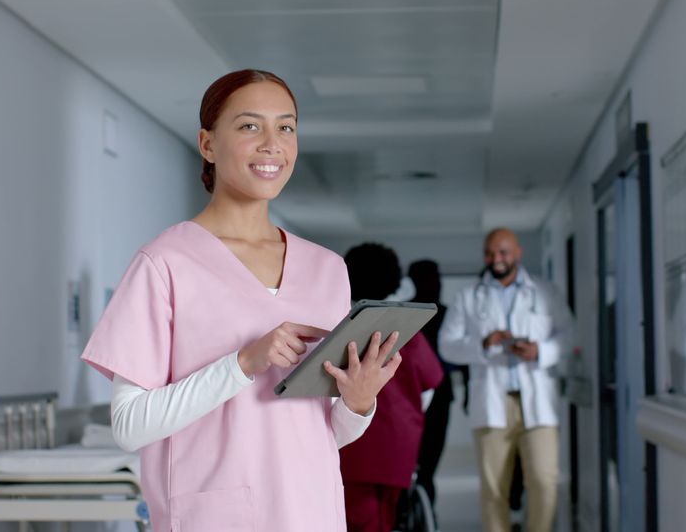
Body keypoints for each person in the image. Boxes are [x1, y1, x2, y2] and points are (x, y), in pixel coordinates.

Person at [80, 69, 403, 532]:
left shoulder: (327, 270)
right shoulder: (165, 262)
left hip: (312, 514)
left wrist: (358, 402)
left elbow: (323, 434)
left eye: (286, 127)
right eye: (250, 126)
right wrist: (243, 363)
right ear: (208, 144)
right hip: (212, 518)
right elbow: (130, 427)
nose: (272, 143)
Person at [439, 228, 572, 532]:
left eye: (503, 252)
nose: (496, 259)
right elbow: (447, 345)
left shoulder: (545, 291)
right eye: (490, 253)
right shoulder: (468, 296)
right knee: (493, 488)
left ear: (518, 253)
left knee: (544, 480)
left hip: (537, 403)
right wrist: (484, 344)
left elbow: (570, 335)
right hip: (491, 403)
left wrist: (541, 350)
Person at [339, 244, 444, 532]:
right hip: (397, 447)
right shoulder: (407, 328)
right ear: (394, 279)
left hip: (352, 451)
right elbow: (429, 386)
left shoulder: (338, 327)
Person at [407, 259, 456, 505]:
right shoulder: (406, 313)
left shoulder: (447, 313)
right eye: (431, 277)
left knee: (429, 464)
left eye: (437, 277)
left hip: (440, 395)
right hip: (410, 396)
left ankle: (425, 513)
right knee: (410, 461)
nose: (437, 283)